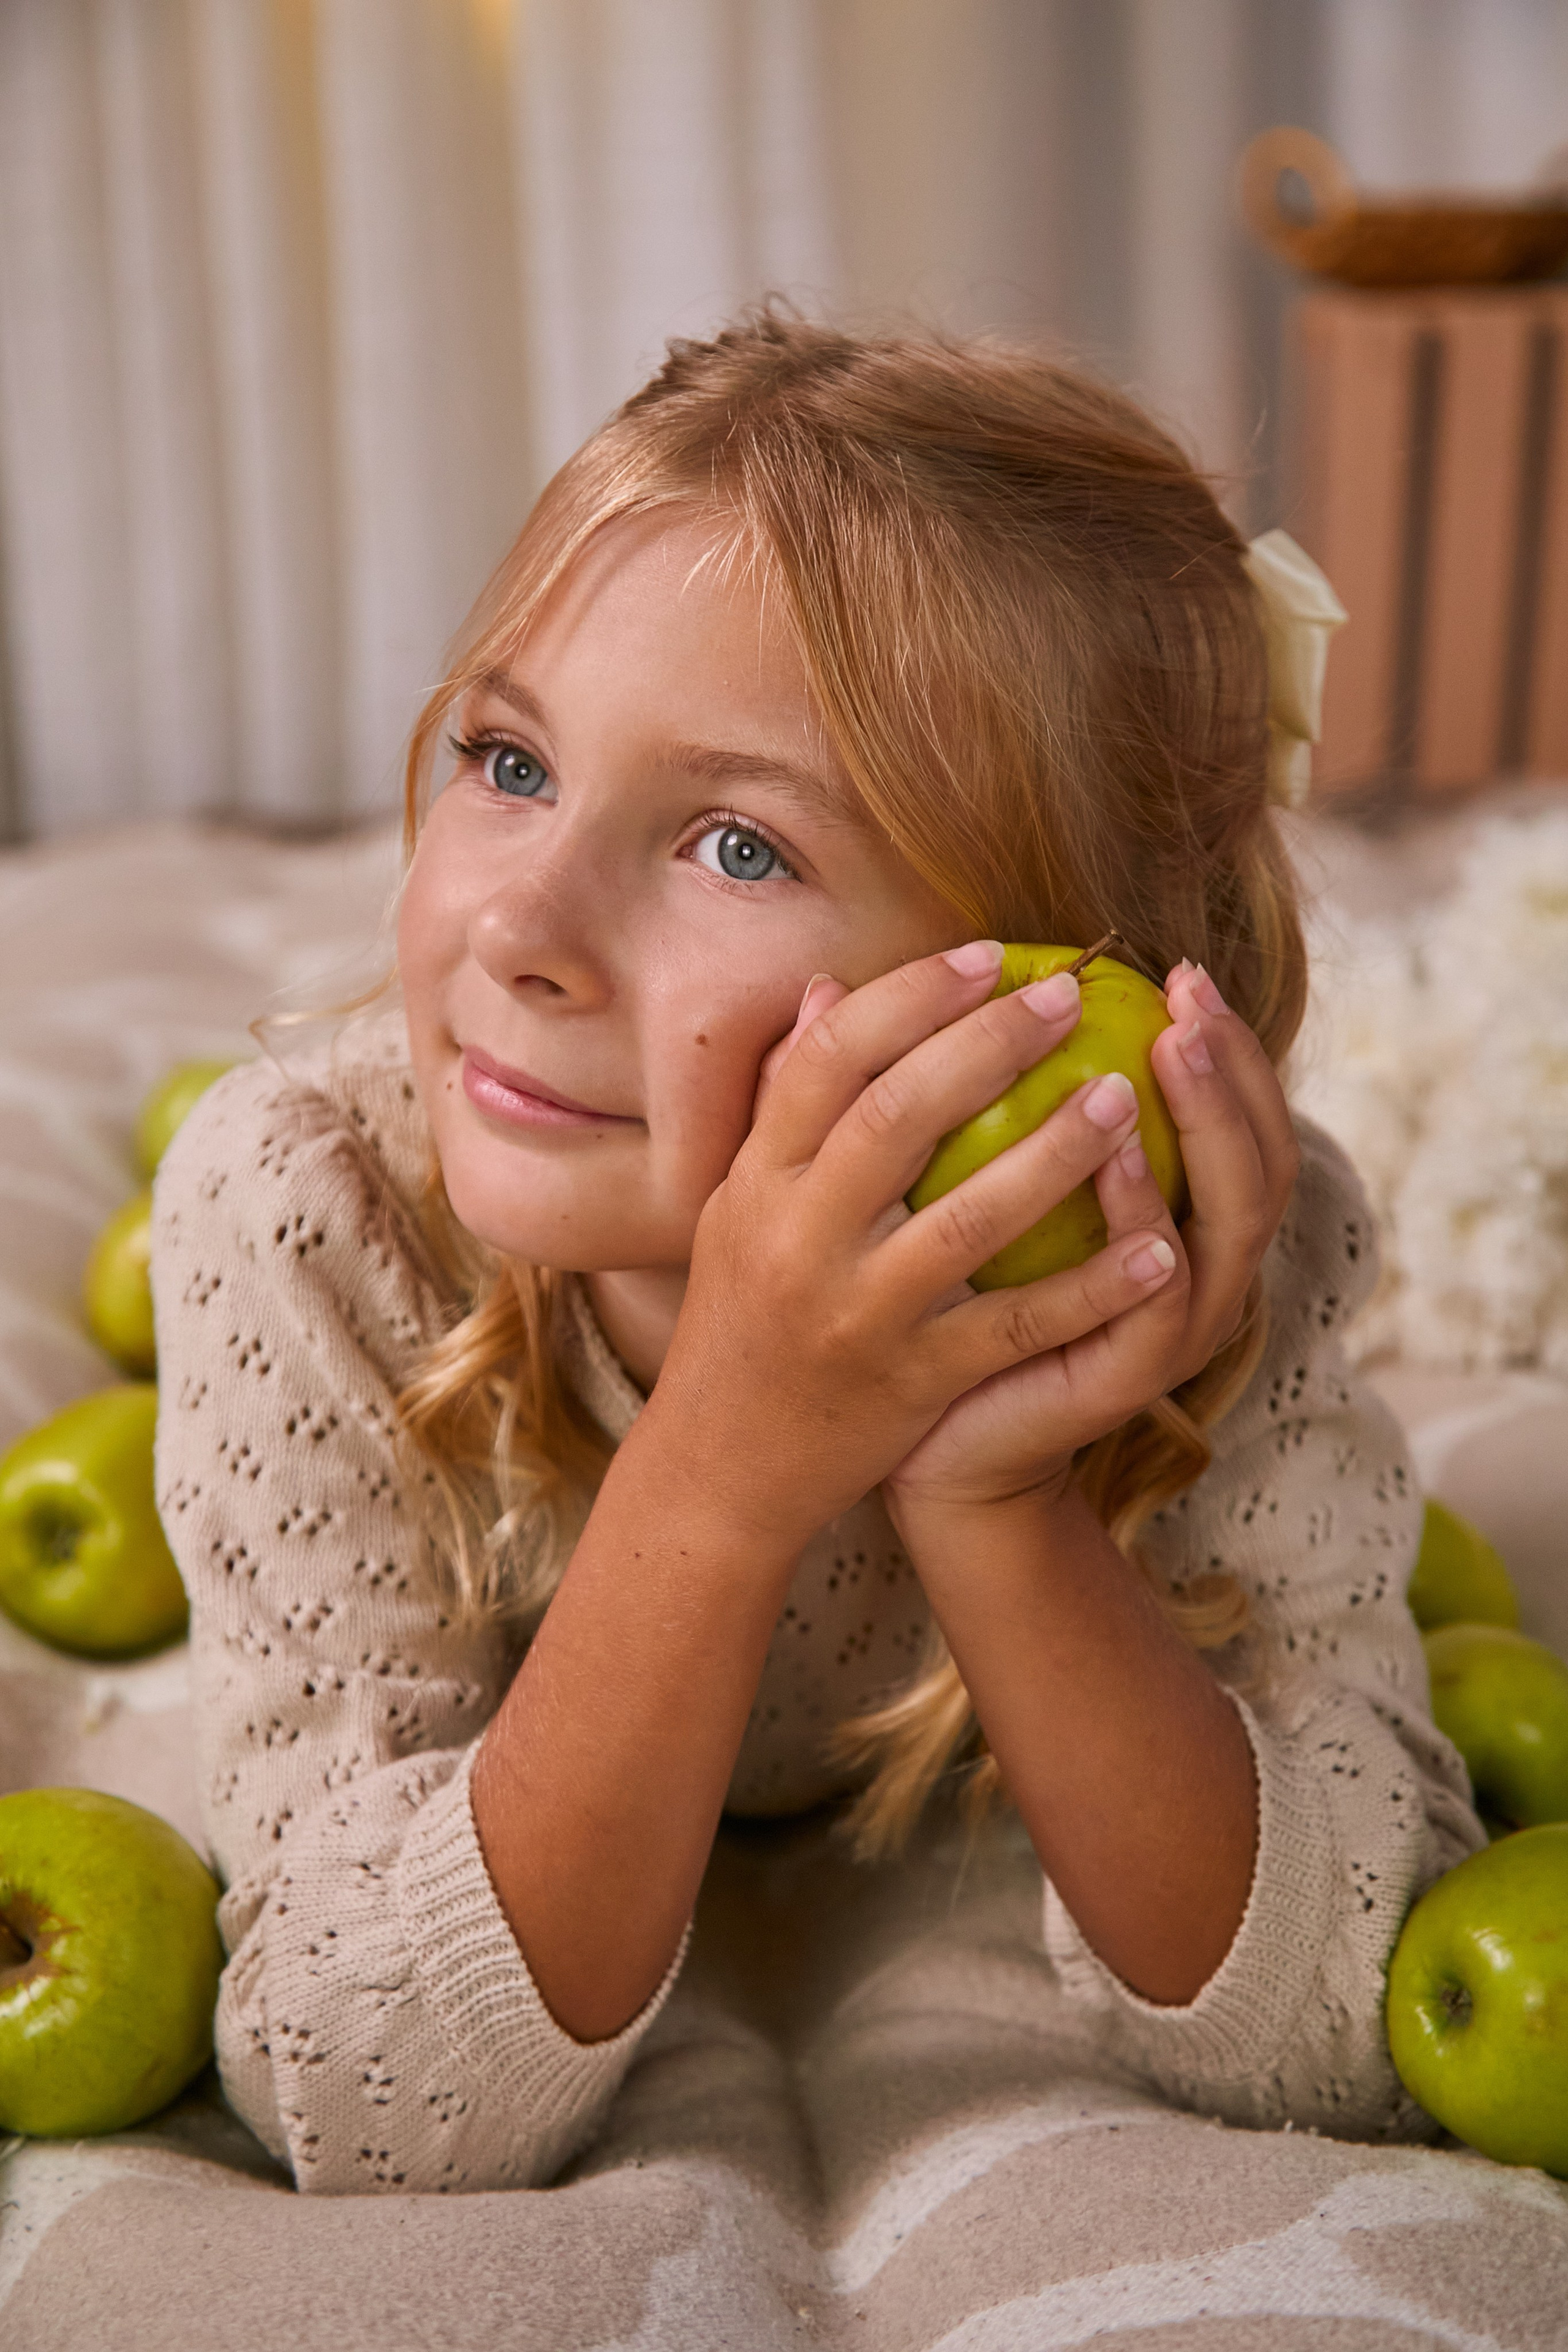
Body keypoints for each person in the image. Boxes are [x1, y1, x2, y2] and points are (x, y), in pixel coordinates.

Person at [151, 311, 1482, 2197]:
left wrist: (1002, 1496)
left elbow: (1345, 2033)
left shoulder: (1200, 1254)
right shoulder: (310, 1213)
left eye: (738, 848)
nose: (519, 928)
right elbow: (363, 2094)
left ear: (1052, 998)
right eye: (508, 760)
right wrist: (724, 1462)